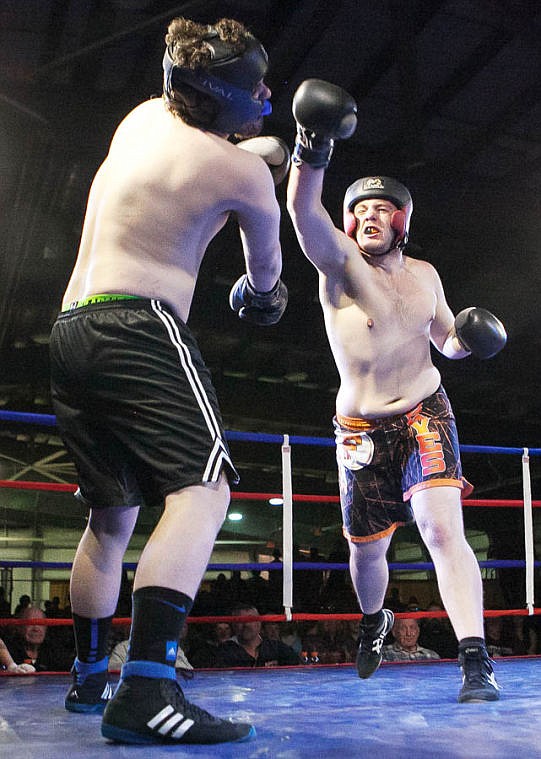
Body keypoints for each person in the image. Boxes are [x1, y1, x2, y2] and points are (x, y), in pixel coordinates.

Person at [49, 15, 289, 746]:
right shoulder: (242, 172)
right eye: (256, 88)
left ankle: (90, 677)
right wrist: (260, 293)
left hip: (71, 329)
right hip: (140, 326)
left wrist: (278, 146)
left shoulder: (144, 116)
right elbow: (264, 284)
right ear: (225, 99)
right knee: (205, 488)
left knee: (111, 515)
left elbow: (229, 144)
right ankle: (148, 686)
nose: (266, 95)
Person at [286, 78, 507, 703]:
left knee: (443, 532)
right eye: (360, 210)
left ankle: (475, 660)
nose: (369, 217)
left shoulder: (426, 275)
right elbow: (305, 215)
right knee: (367, 556)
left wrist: (471, 339)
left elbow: (446, 344)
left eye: (382, 209)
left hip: (424, 413)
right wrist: (312, 145)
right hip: (359, 430)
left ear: (402, 221)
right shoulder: (341, 270)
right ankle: (373, 621)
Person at [215, 604, 299, 668]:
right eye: (240, 620)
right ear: (233, 625)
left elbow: (298, 668)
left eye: (250, 619)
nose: (246, 624)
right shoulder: (225, 651)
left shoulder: (276, 647)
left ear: (259, 623)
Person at [2, 606, 72, 672]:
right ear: (19, 627)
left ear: (46, 628)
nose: (36, 628)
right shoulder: (7, 650)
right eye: (30, 623)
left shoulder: (55, 650)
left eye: (40, 623)